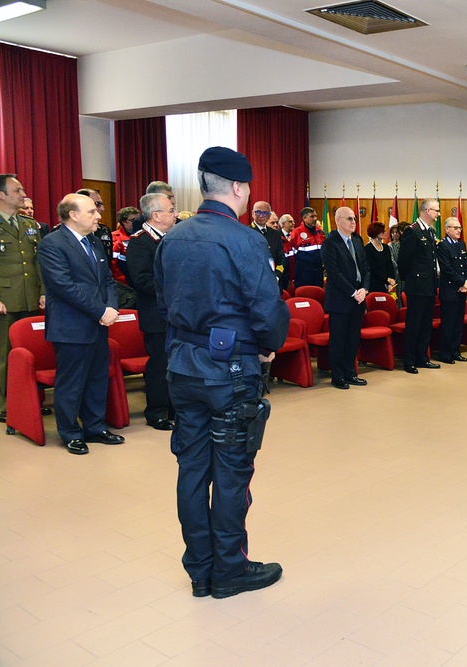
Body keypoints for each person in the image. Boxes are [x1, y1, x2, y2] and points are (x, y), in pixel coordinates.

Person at [154, 146, 289, 599]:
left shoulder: (173, 237)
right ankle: (230, 570)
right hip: (230, 374)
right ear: (237, 187)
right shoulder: (246, 240)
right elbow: (267, 311)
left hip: (183, 370)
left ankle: (200, 570)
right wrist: (268, 348)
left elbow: (163, 304)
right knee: (231, 473)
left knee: (191, 470)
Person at [38, 193, 123, 455]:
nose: (98, 216)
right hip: (71, 326)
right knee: (72, 382)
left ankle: (95, 427)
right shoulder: (52, 244)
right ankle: (70, 432)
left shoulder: (95, 242)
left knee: (97, 379)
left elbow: (107, 280)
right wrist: (100, 310)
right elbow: (64, 286)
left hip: (98, 324)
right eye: (91, 212)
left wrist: (111, 308)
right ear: (72, 215)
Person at [126, 192, 177, 429]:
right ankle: (156, 412)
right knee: (160, 365)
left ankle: (174, 408)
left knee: (177, 364)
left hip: (177, 313)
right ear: (156, 215)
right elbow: (142, 280)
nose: (175, 214)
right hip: (156, 314)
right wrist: (177, 285)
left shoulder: (173, 237)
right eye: (170, 210)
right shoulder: (140, 241)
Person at [0, 174, 45, 424]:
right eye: (17, 190)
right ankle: (5, 404)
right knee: (4, 355)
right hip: (5, 299)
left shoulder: (29, 224)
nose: (23, 193)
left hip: (30, 297)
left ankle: (31, 399)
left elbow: (38, 262)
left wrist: (43, 291)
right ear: (1, 195)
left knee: (32, 352)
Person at [322, 207, 370, 389]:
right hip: (341, 299)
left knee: (353, 338)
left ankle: (350, 373)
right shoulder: (330, 243)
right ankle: (338, 376)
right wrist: (353, 292)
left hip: (359, 298)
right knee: (339, 339)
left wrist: (364, 289)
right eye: (349, 219)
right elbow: (334, 273)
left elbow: (365, 267)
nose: (353, 222)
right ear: (338, 221)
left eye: (354, 219)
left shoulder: (357, 240)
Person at [397, 199, 440, 373]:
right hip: (416, 286)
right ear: (428, 210)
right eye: (436, 211)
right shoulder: (412, 231)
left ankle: (422, 357)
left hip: (429, 285)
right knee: (414, 324)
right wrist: (410, 279)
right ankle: (409, 361)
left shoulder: (430, 231)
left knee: (425, 324)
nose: (438, 214)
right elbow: (403, 260)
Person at [436, 216, 467, 364]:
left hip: (462, 290)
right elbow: (447, 269)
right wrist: (462, 282)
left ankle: (456, 351)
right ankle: (445, 354)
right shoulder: (443, 246)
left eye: (459, 228)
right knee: (448, 324)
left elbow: (466, 265)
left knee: (458, 323)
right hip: (449, 291)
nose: (458, 230)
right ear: (447, 229)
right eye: (455, 228)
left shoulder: (461, 244)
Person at [288, 207, 326, 288]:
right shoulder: (296, 233)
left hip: (318, 271)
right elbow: (291, 254)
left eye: (316, 216)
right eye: (312, 217)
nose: (315, 218)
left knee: (318, 295)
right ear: (304, 218)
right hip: (303, 272)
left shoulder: (320, 231)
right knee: (304, 295)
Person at [249, 201, 285, 281]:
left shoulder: (275, 234)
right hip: (254, 282)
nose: (261, 216)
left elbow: (281, 258)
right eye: (258, 212)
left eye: (265, 213)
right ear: (252, 213)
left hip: (274, 281)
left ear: (269, 216)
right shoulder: (246, 233)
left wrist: (277, 276)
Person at [364, 221, 396, 293]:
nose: (385, 233)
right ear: (376, 232)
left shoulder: (386, 247)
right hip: (374, 285)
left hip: (388, 285)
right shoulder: (368, 249)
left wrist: (391, 281)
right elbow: (371, 268)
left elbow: (390, 265)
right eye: (382, 231)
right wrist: (387, 279)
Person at [111, 206, 139, 284]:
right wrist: (122, 280)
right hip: (123, 281)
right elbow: (113, 263)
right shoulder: (114, 238)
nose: (136, 223)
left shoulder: (142, 236)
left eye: (138, 220)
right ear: (124, 222)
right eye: (133, 220)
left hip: (139, 279)